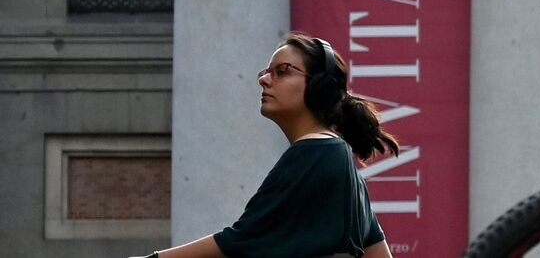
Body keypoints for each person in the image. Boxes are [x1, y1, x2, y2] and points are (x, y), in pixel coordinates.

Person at [133, 33, 399, 258]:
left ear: (320, 87)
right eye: (266, 72)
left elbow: (237, 242)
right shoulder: (342, 164)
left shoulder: (314, 152)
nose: (263, 79)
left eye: (282, 72)